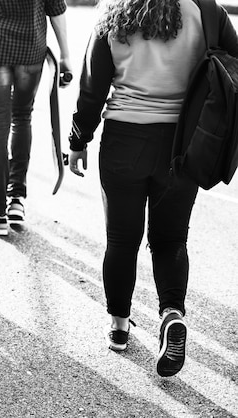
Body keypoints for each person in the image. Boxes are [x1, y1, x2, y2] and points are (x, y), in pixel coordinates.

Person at [68, 0, 238, 377]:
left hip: (124, 142)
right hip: (183, 144)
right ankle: (172, 314)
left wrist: (79, 138)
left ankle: (119, 327)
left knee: (121, 241)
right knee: (171, 241)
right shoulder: (206, 12)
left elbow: (92, 89)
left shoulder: (111, 11)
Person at [0, 0, 72, 236]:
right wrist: (65, 55)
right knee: (22, 117)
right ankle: (16, 199)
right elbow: (56, 10)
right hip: (31, 51)